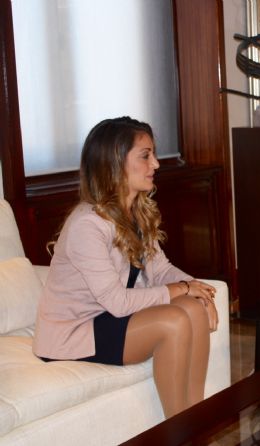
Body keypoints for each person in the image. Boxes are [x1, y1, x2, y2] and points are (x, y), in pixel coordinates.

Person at [33, 116, 219, 418]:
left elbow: (161, 270)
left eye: (153, 154)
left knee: (192, 308)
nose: (156, 164)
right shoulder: (87, 224)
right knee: (172, 320)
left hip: (106, 317)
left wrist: (199, 292)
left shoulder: (135, 212)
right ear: (115, 164)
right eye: (145, 155)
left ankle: (195, 425)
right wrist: (183, 289)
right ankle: (177, 433)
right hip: (75, 333)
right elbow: (118, 303)